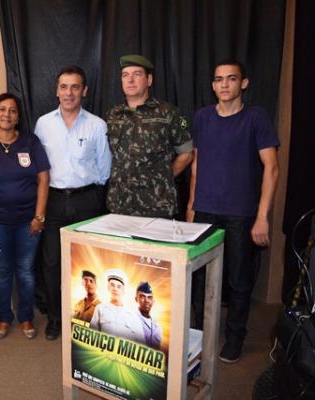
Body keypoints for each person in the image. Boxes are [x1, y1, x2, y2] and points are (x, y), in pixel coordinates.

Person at [187, 60, 280, 363]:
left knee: (238, 280)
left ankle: (235, 336)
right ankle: (198, 336)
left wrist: (262, 216)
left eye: (231, 79)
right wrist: (191, 205)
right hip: (204, 210)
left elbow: (272, 168)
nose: (224, 85)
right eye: (218, 79)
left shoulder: (256, 118)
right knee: (198, 277)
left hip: (241, 213)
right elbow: (197, 163)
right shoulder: (202, 117)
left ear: (244, 83)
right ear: (212, 85)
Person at [35, 65, 112, 340]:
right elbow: (38, 167)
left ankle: (86, 319)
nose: (69, 93)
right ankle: (55, 318)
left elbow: (104, 170)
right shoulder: (43, 124)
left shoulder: (97, 125)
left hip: (87, 201)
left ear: (84, 91)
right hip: (53, 201)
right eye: (64, 87)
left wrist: (92, 196)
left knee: (87, 265)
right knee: (52, 263)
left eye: (75, 87)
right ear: (57, 91)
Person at [0, 93, 50, 340]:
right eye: (2, 109)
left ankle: (26, 317)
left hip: (28, 221)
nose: (7, 114)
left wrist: (39, 216)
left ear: (18, 116)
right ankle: (4, 318)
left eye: (13, 110)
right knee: (3, 272)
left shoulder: (30, 142)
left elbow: (44, 178)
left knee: (25, 271)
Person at [105, 54, 193, 218]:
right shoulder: (112, 115)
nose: (130, 80)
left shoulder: (168, 112)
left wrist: (163, 178)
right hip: (119, 204)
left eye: (137, 74)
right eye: (125, 75)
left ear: (149, 80)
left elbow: (186, 153)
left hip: (157, 204)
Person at [89, 269, 144, 342]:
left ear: (124, 291)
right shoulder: (100, 309)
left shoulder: (132, 314)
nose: (115, 289)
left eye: (119, 286)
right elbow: (91, 337)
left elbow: (142, 343)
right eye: (112, 285)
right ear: (108, 288)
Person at [135, 281, 163, 350]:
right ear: (136, 299)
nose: (146, 300)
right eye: (142, 296)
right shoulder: (131, 319)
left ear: (153, 301)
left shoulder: (157, 326)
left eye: (150, 297)